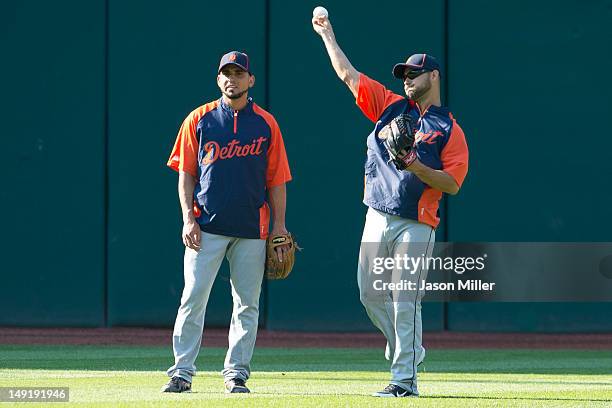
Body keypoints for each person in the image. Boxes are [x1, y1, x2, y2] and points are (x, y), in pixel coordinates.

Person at [312, 16, 469, 397]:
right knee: (369, 293)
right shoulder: (388, 105)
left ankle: (404, 380)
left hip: (417, 222)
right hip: (377, 213)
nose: (407, 79)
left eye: (414, 74)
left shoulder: (448, 128)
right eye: (404, 74)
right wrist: (327, 33)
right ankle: (407, 348)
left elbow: (453, 183)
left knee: (404, 298)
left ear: (433, 76)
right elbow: (348, 75)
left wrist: (415, 164)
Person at [161, 51, 292, 394]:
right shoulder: (199, 119)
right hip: (206, 228)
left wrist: (279, 227)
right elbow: (186, 174)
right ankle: (182, 373)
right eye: (226, 73)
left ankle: (236, 374)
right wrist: (188, 218)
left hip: (253, 229)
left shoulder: (266, 123)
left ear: (250, 80)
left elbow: (277, 180)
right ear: (218, 79)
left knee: (246, 305)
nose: (231, 79)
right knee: (193, 298)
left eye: (239, 73)